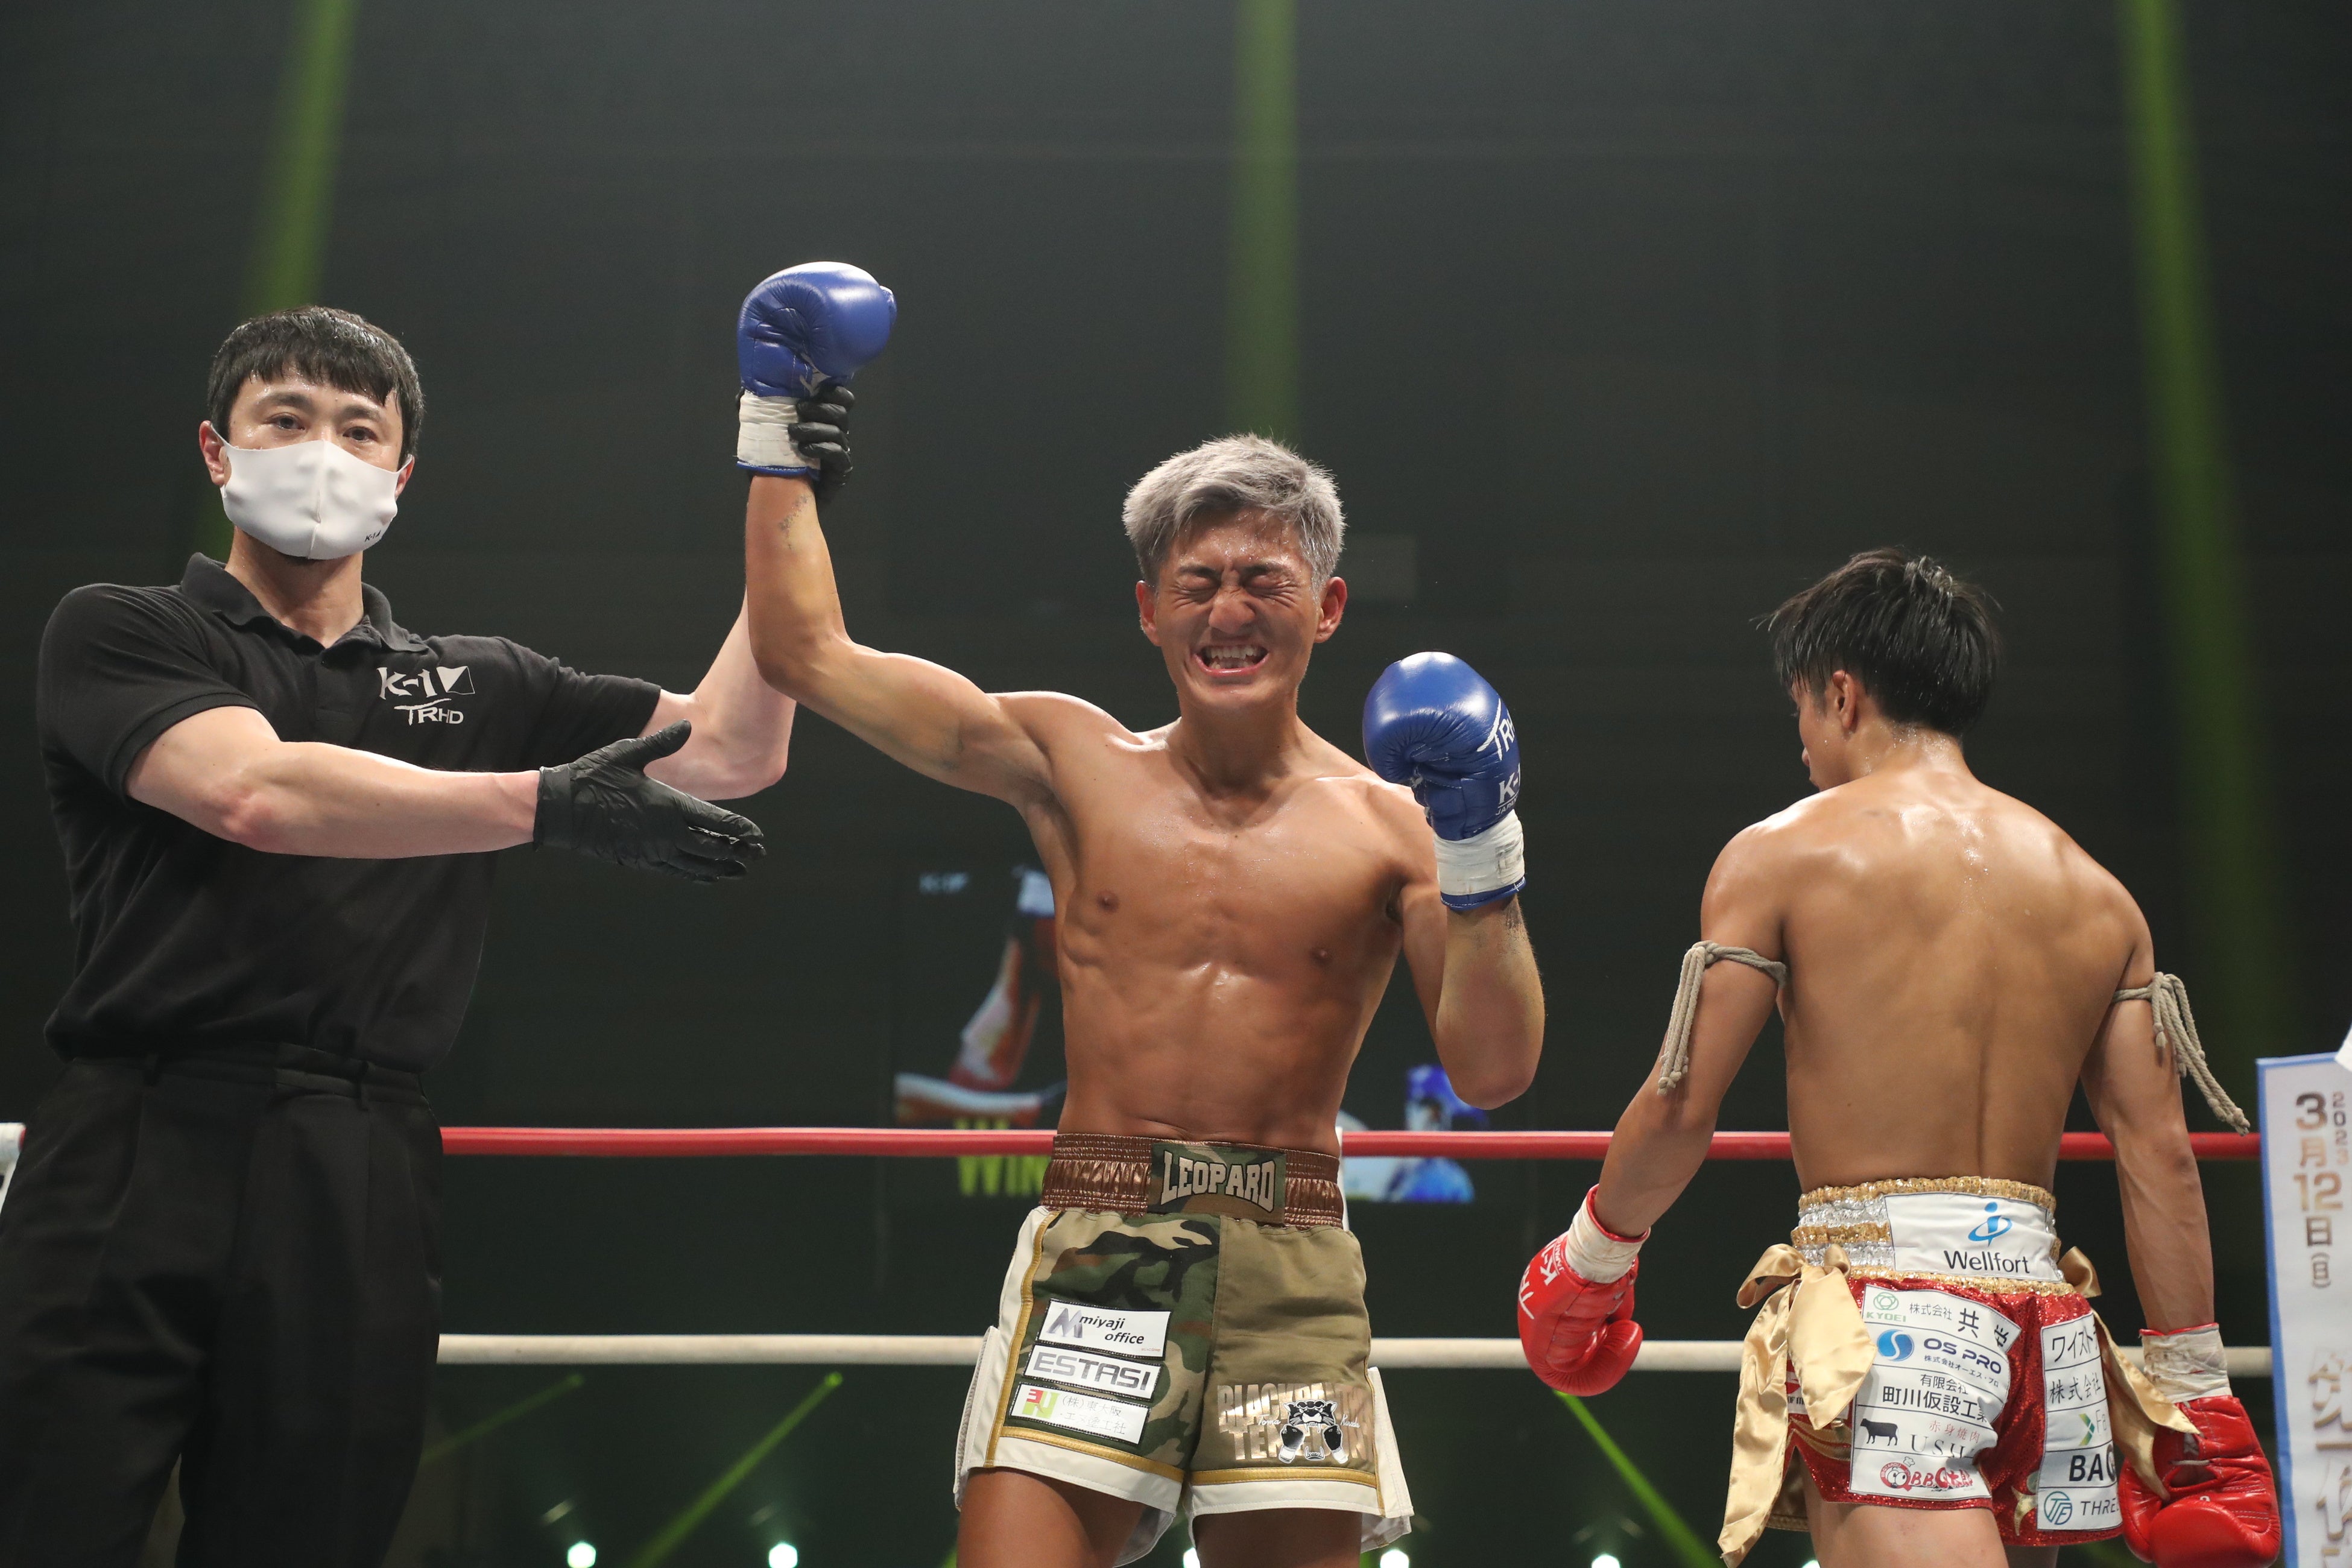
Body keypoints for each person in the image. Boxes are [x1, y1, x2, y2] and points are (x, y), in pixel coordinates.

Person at [732, 266, 1546, 1568]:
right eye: (1197, 580)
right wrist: (779, 427)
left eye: (1265, 580)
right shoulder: (1070, 761)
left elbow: (1494, 1072)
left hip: (1291, 1270)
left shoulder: (1398, 825)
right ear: (1149, 609)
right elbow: (805, 655)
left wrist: (1483, 852)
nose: (1229, 612)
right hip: (1099, 1248)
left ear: (1329, 606)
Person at [0, 305, 786, 1568]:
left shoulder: (482, 680)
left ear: (401, 474)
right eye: (286, 418)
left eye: (358, 429)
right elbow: (253, 795)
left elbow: (737, 746)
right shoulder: (123, 627)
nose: (323, 450)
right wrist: (546, 804)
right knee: (47, 1520)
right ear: (217, 450)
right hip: (139, 1134)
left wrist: (786, 477)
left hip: (358, 1161)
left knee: (308, 1539)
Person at [1514, 549, 2281, 1568]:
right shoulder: (2098, 893)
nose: (1800, 744)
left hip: (1891, 1328)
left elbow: (1683, 1101)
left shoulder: (1783, 853)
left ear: (1841, 694)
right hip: (2046, 1327)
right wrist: (2198, 1393)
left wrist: (1594, 1257)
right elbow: (2161, 1157)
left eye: (1800, 709)